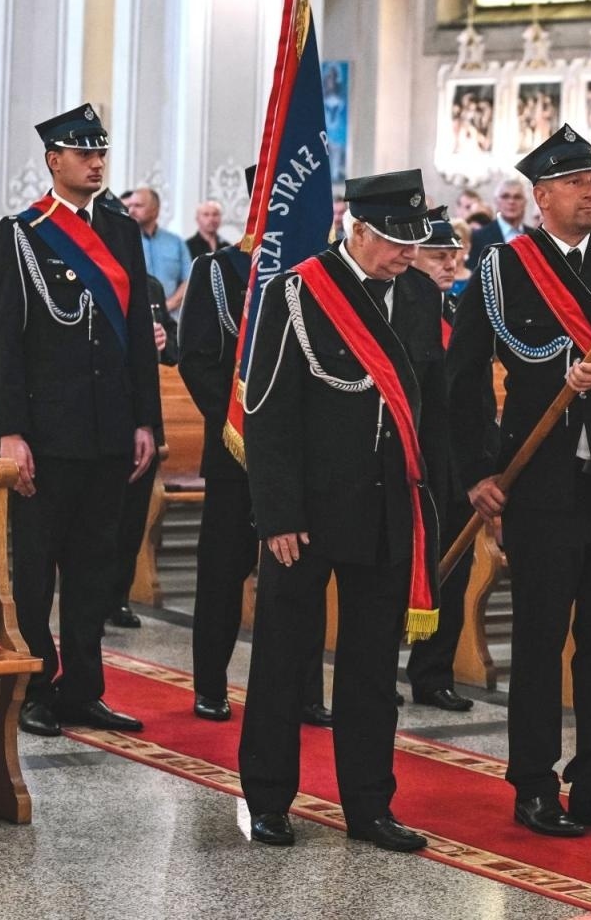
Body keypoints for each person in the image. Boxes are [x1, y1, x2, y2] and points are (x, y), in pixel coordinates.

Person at [448, 123, 591, 839]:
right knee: (540, 640)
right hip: (539, 485)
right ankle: (534, 784)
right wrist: (479, 472)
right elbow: (461, 384)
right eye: (578, 184)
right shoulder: (501, 270)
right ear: (543, 195)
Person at [239, 169, 446, 853]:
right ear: (356, 230)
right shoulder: (297, 291)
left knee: (370, 669)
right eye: (393, 240)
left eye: (415, 240)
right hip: (307, 514)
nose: (407, 253)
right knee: (282, 659)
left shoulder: (417, 295)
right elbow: (266, 412)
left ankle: (369, 805)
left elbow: (428, 407)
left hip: (386, 511)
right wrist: (277, 515)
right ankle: (268, 798)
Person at [0, 103, 160, 738]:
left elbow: (137, 335)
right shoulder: (20, 234)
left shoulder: (121, 232)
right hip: (48, 434)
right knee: (36, 567)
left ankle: (84, 687)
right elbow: (4, 342)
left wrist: (146, 421)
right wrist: (12, 431)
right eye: (83, 153)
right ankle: (35, 684)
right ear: (54, 160)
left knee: (95, 566)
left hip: (110, 431)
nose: (95, 162)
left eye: (101, 153)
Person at [180, 166, 330, 726]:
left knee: (304, 577)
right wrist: (246, 424)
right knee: (223, 572)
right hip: (236, 451)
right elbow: (197, 358)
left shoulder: (319, 272)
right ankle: (211, 685)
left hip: (306, 458)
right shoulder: (219, 270)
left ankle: (306, 691)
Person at [403, 212, 480, 713]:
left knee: (452, 572)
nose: (449, 262)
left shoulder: (456, 310)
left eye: (453, 253)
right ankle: (378, 672)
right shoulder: (398, 309)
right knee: (399, 573)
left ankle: (434, 674)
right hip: (412, 464)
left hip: (456, 468)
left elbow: (475, 397)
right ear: (412, 256)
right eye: (437, 254)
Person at [105, 268, 180, 631]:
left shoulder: (149, 284)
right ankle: (92, 599)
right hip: (106, 410)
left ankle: (118, 596)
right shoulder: (96, 277)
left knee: (133, 517)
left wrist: (164, 341)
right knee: (102, 516)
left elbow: (173, 353)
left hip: (146, 413)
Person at [125, 187, 189, 312]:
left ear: (155, 210)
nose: (131, 210)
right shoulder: (123, 241)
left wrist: (167, 306)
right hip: (135, 318)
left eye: (138, 206)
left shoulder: (176, 242)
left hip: (171, 321)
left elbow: (188, 279)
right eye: (130, 205)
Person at [464, 177, 528, 271]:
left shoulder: (534, 237)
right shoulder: (478, 237)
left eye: (517, 197)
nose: (511, 201)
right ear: (496, 201)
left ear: (525, 202)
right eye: (505, 196)